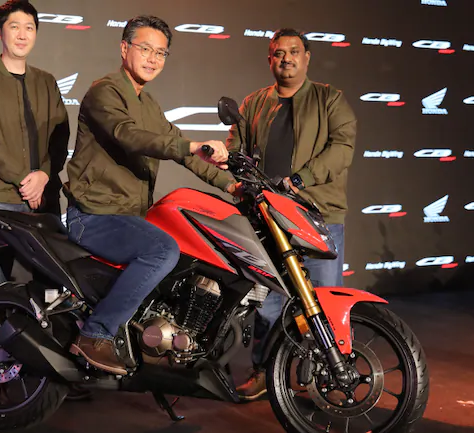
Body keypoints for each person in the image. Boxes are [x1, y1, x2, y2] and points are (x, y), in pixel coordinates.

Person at [65, 15, 237, 375]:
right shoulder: (105, 92)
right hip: (94, 215)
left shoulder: (149, 104)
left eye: (161, 53)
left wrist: (231, 185)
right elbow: (129, 135)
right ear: (124, 48)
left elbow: (183, 150)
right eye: (145, 49)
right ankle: (95, 334)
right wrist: (191, 145)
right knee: (162, 250)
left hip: (128, 215)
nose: (153, 58)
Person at [227, 28, 357, 400]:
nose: (286, 58)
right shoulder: (254, 103)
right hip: (269, 217)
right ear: (270, 59)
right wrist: (240, 177)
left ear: (307, 57)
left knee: (325, 301)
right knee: (270, 302)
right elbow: (235, 146)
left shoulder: (329, 99)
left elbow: (342, 147)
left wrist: (301, 179)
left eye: (294, 51)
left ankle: (330, 376)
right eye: (278, 53)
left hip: (317, 215)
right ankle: (265, 373)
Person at [0, 0, 70, 290]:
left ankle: (45, 321)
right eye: (14, 27)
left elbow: (61, 135)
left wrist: (44, 175)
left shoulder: (46, 81)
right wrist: (26, 180)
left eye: (29, 28)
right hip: (1, 194)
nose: (22, 35)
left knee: (53, 282)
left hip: (45, 194)